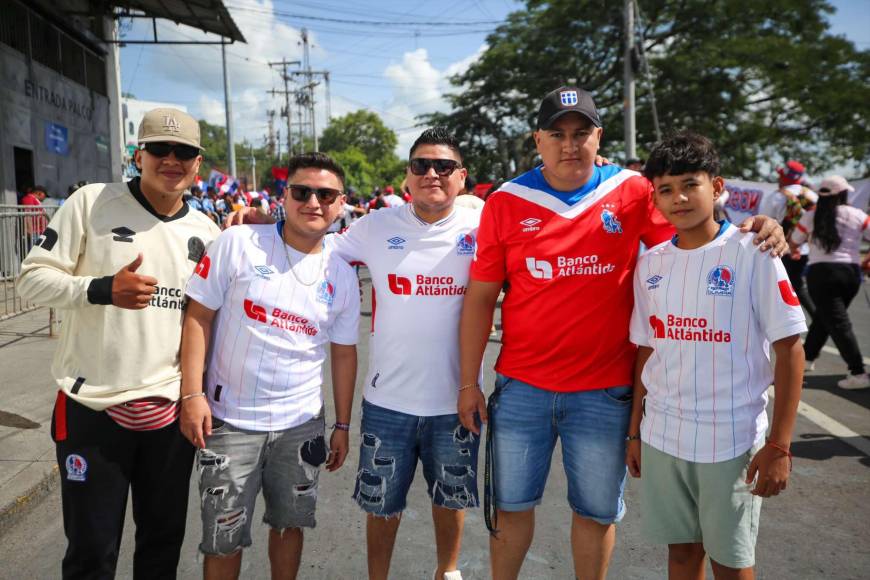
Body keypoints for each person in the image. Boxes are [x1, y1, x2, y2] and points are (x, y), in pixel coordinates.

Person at [458, 86, 787, 580]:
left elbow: (691, 243)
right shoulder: (506, 200)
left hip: (605, 391)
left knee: (595, 512)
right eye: (558, 134)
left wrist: (754, 227)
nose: (570, 144)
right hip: (522, 387)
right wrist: (469, 382)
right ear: (538, 140)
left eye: (581, 133)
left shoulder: (632, 190)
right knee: (511, 508)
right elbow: (481, 298)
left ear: (598, 136)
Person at [227, 127, 481, 580]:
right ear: (408, 176)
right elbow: (313, 242)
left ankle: (449, 570)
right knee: (381, 504)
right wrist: (259, 223)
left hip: (456, 399)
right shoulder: (377, 226)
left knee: (451, 497)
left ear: (462, 176)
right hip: (387, 402)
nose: (432, 174)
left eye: (443, 166)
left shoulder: (483, 223)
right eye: (421, 165)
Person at [18, 108, 219, 579]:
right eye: (159, 149)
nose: (171, 160)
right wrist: (101, 288)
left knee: (162, 545)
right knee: (91, 551)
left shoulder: (207, 232)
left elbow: (207, 323)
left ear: (197, 163)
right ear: (138, 155)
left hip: (170, 418)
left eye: (184, 152)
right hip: (92, 408)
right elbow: (32, 279)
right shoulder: (92, 202)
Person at [626, 130, 806, 580]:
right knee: (683, 555)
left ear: (718, 187)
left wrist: (780, 444)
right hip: (663, 435)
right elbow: (647, 350)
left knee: (731, 561)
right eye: (666, 189)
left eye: (691, 184)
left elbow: (790, 348)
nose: (679, 198)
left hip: (729, 440)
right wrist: (634, 432)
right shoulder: (651, 264)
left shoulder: (754, 251)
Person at [179, 152, 360, 580]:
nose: (313, 202)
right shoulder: (238, 243)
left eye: (325, 194)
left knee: (290, 525)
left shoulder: (342, 274)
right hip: (229, 423)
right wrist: (192, 395)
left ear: (340, 203)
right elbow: (197, 317)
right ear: (285, 196)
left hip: (300, 425)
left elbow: (345, 353)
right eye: (302, 191)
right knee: (223, 537)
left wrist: (343, 425)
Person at [791, 175, 870, 389]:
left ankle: (858, 372)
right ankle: (806, 359)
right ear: (843, 193)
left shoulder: (811, 215)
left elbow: (794, 242)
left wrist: (795, 250)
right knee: (827, 317)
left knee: (836, 321)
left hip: (821, 274)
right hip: (851, 274)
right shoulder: (858, 215)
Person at [758, 160, 818, 319]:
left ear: (786, 177)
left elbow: (764, 222)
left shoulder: (776, 197)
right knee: (795, 284)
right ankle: (817, 319)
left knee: (779, 287)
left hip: (780, 249)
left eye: (781, 176)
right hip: (805, 249)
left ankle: (810, 320)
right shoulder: (812, 195)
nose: (779, 179)